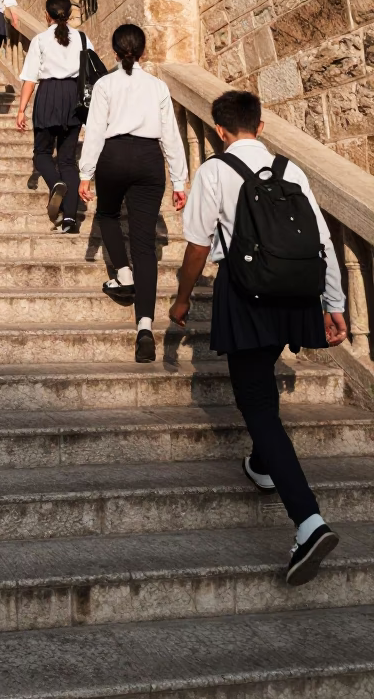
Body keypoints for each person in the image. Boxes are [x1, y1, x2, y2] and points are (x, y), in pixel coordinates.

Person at [169, 90, 346, 587]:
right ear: (261, 126)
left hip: (246, 295)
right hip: (296, 296)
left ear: (221, 131)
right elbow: (322, 241)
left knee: (256, 405)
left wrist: (182, 299)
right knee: (263, 388)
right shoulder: (292, 171)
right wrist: (334, 304)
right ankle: (262, 463)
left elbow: (199, 244)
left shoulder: (214, 171)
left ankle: (308, 522)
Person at [78, 24, 188, 363]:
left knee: (107, 214)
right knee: (145, 245)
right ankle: (144, 326)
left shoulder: (105, 84)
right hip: (148, 160)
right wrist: (180, 181)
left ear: (114, 52)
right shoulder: (156, 86)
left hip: (113, 155)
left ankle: (122, 274)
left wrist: (85, 174)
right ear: (142, 53)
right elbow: (171, 133)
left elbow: (95, 130)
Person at [16, 0, 92, 235]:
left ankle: (55, 182)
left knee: (41, 153)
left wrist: (21, 110)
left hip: (48, 93)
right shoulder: (82, 38)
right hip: (73, 96)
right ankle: (70, 219)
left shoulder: (40, 40)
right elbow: (91, 72)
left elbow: (30, 78)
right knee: (68, 160)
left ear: (46, 15)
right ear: (69, 15)